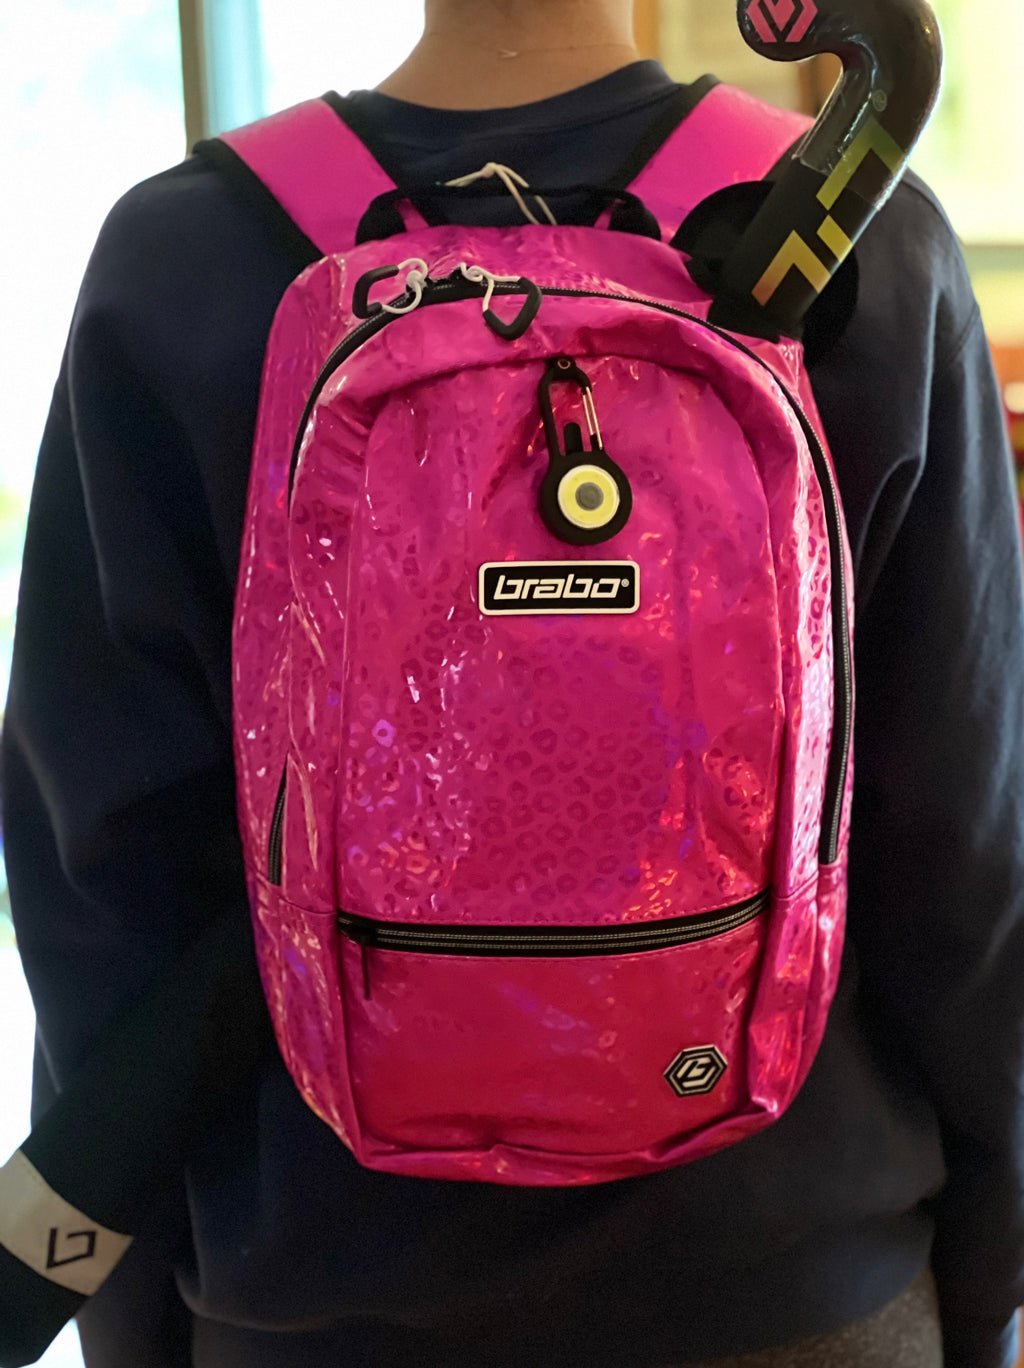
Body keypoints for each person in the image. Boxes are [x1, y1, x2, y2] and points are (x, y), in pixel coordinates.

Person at [5, 1, 1024, 1365]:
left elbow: (99, 882)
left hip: (314, 1294)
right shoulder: (865, 239)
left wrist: (132, 1315)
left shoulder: (182, 259)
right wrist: (984, 1290)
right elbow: (969, 855)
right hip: (798, 1279)